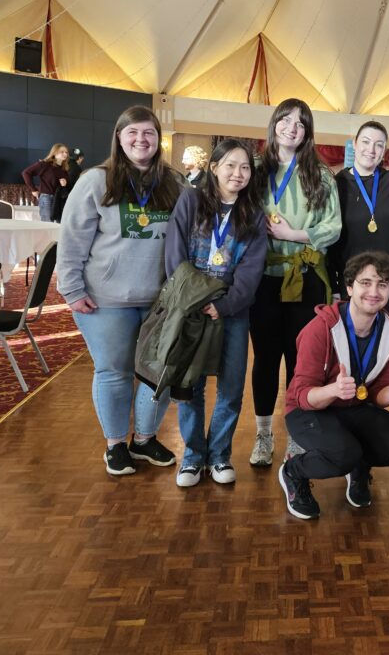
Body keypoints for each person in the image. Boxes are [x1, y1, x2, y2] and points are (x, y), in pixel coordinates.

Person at [57, 106, 184, 476]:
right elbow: (72, 240)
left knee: (156, 374)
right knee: (113, 371)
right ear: (119, 137)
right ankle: (115, 444)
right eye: (133, 133)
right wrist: (71, 289)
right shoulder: (96, 180)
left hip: (161, 300)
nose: (141, 140)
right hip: (105, 299)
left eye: (148, 133)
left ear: (159, 139)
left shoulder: (174, 182)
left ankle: (144, 439)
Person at [277, 251, 389, 519]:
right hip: (308, 411)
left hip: (354, 407)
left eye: (383, 284)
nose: (374, 291)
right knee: (343, 454)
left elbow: (378, 393)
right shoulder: (320, 329)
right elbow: (302, 396)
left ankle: (359, 468)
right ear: (350, 286)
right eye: (365, 283)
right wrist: (333, 389)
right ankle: (293, 471)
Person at [164, 138, 267, 487]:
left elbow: (252, 270)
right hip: (190, 309)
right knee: (189, 383)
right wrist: (192, 300)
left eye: (245, 168)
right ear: (214, 168)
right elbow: (174, 252)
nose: (238, 173)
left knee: (232, 386)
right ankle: (193, 456)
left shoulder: (253, 213)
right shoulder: (191, 200)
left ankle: (219, 454)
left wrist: (223, 305)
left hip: (232, 311)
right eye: (230, 165)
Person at [248, 99, 342, 467]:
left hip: (306, 279)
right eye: (285, 120)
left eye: (301, 124)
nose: (292, 128)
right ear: (274, 124)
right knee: (266, 360)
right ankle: (262, 433)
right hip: (263, 280)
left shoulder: (319, 175)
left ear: (308, 133)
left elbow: (333, 227)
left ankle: (298, 436)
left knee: (302, 362)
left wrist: (295, 233)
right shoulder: (254, 170)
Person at [328, 121, 389, 316]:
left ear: (384, 151)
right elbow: (329, 243)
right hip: (351, 284)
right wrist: (334, 285)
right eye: (365, 142)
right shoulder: (336, 185)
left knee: (385, 342)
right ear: (355, 144)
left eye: (379, 144)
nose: (371, 150)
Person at [23, 143, 69, 222]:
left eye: (66, 152)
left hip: (58, 199)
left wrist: (65, 184)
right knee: (47, 224)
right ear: (54, 152)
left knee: (59, 225)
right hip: (47, 198)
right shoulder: (45, 164)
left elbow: (64, 186)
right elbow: (26, 173)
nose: (65, 154)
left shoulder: (64, 169)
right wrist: (33, 189)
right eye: (62, 151)